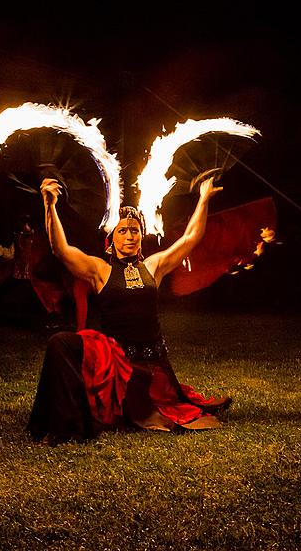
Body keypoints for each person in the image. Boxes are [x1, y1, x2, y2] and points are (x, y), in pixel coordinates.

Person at [26, 176, 232, 445]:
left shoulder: (153, 266)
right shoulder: (100, 270)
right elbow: (60, 249)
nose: (130, 236)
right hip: (114, 362)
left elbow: (192, 238)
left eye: (134, 230)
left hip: (148, 368)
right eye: (122, 231)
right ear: (111, 239)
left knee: (150, 406)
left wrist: (203, 199)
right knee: (60, 343)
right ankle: (64, 426)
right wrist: (49, 205)